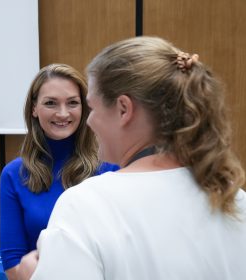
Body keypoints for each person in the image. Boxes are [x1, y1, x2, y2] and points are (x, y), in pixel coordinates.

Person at [18, 36, 246, 279]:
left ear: (123, 109)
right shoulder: (233, 199)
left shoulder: (85, 206)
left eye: (92, 108)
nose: (89, 121)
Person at [0, 63, 119, 279]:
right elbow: (13, 265)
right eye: (51, 103)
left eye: (72, 103)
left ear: (84, 108)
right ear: (34, 108)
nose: (62, 113)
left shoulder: (110, 167)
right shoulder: (13, 174)